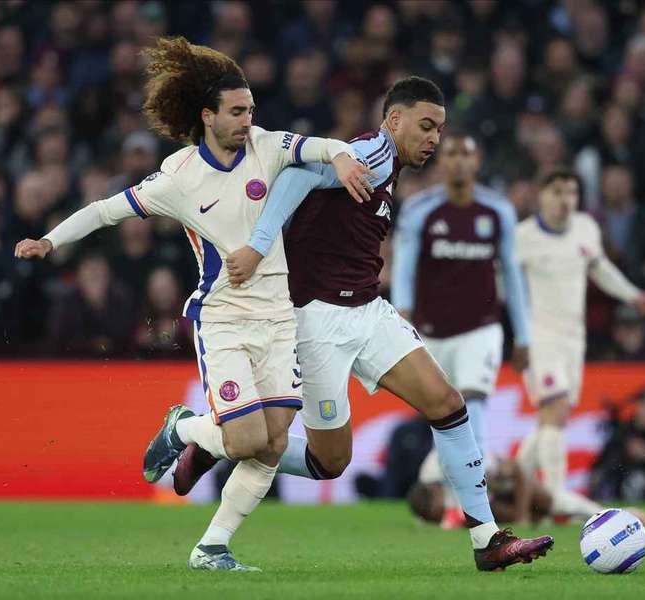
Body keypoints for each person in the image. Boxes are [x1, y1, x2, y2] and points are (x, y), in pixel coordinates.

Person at [15, 36, 371, 572]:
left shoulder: (267, 146)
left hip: (279, 317)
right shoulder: (179, 176)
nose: (247, 121)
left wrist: (341, 158)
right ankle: (181, 428)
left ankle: (212, 547)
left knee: (273, 444)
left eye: (250, 110)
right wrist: (50, 240)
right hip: (223, 318)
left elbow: (322, 146)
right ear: (208, 116)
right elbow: (107, 210)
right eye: (236, 112)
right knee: (245, 438)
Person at [176, 76, 554, 572]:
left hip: (369, 311)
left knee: (447, 404)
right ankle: (206, 435)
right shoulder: (370, 153)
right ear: (394, 120)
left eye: (439, 129)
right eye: (426, 126)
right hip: (315, 322)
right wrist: (259, 244)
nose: (434, 139)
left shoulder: (389, 166)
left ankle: (488, 540)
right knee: (329, 461)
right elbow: (297, 176)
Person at [390, 133, 530, 528]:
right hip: (431, 332)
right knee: (444, 415)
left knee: (474, 403)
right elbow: (404, 267)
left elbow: (512, 274)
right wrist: (401, 316)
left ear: (476, 161)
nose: (458, 162)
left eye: (465, 154)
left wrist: (524, 336)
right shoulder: (420, 209)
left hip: (480, 329)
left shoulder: (498, 210)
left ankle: (474, 506)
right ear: (440, 162)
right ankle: (452, 498)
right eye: (450, 154)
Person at [514, 168, 645, 505]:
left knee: (551, 420)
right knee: (556, 409)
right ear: (541, 195)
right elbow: (503, 283)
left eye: (572, 192)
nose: (565, 200)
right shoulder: (523, 236)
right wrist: (518, 336)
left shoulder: (586, 228)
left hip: (574, 340)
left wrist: (632, 295)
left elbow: (600, 268)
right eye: (557, 192)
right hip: (540, 336)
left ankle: (512, 485)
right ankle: (555, 496)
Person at [409, 454, 645, 527]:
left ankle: (611, 515)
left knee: (545, 499)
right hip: (493, 498)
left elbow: (516, 471)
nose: (441, 513)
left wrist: (522, 517)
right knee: (491, 509)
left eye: (438, 511)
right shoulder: (428, 481)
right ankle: (553, 518)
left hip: (508, 483)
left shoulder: (462, 464)